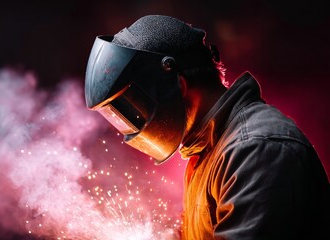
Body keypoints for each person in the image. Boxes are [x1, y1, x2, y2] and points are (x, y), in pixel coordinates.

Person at [84, 15, 330, 239]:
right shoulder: (208, 150)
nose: (133, 123)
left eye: (130, 110)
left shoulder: (255, 149)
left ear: (178, 86)